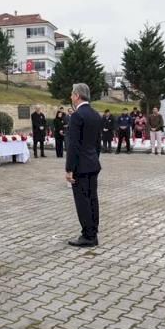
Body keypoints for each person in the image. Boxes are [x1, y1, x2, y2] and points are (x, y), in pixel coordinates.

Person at [65, 83, 102, 247]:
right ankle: (93, 230)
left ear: (77, 96)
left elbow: (73, 145)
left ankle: (88, 235)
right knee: (92, 198)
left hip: (80, 166)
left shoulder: (77, 116)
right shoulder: (95, 114)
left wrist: (69, 169)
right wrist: (94, 158)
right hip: (93, 163)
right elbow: (97, 143)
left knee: (82, 201)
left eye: (72, 95)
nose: (71, 98)